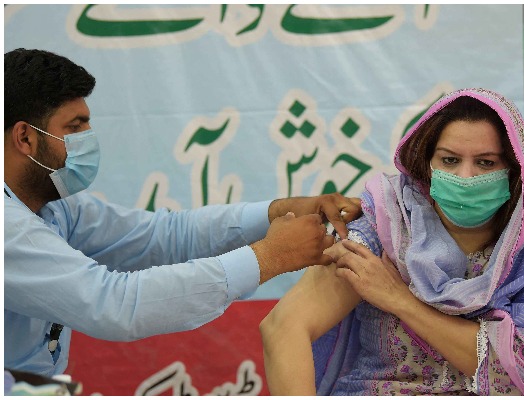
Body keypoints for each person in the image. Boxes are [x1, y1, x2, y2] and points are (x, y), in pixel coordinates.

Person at [4, 48, 362, 377]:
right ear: (25, 138)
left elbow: (166, 235)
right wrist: (269, 257)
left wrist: (278, 211)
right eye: (75, 127)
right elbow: (114, 304)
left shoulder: (55, 206)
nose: (88, 137)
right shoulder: (9, 228)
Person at [260, 88, 524, 395]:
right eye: (450, 160)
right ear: (426, 163)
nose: (465, 177)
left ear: (515, 170)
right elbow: (283, 327)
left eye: (486, 162)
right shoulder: (387, 227)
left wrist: (399, 299)